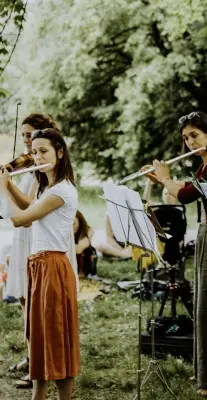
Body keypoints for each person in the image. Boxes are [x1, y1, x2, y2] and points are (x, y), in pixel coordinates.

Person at [148, 111, 207, 396]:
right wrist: (161, 179)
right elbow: (186, 190)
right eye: (186, 137)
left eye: (194, 135)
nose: (189, 141)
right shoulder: (205, 167)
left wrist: (165, 179)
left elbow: (186, 196)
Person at [0, 127, 80, 400]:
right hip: (39, 266)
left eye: (43, 151)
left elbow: (22, 219)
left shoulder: (63, 191)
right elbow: (29, 206)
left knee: (56, 337)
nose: (37, 157)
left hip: (53, 267)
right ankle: (39, 396)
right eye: (34, 152)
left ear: (60, 152)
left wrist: (1, 192)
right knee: (38, 336)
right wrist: (9, 184)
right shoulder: (48, 188)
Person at [4, 113, 59, 389]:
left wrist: (8, 186)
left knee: (36, 306)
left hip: (33, 236)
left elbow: (29, 206)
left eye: (30, 135)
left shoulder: (43, 168)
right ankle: (31, 356)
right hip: (22, 235)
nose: (26, 142)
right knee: (26, 302)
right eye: (24, 135)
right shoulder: (25, 164)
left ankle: (39, 363)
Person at [73, 210, 97, 278]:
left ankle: (84, 273)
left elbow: (79, 249)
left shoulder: (88, 230)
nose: (71, 227)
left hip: (84, 258)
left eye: (74, 223)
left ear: (80, 221)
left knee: (89, 250)